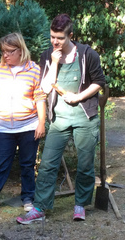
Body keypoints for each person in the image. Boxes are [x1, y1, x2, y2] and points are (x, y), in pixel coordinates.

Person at [17, 14, 105, 224]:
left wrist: (78, 97)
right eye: (52, 37)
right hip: (59, 119)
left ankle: (80, 204)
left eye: (60, 38)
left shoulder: (87, 54)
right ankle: (40, 208)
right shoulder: (47, 56)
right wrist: (55, 63)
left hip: (85, 117)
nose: (55, 42)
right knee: (47, 164)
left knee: (85, 164)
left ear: (70, 36)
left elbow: (99, 82)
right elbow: (45, 88)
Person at [0, 32, 47, 213]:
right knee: (0, 165)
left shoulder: (34, 70)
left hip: (28, 126)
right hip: (4, 128)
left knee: (27, 164)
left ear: (20, 50)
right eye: (3, 51)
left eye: (10, 51)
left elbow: (40, 98)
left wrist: (41, 123)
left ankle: (28, 198)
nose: (5, 55)